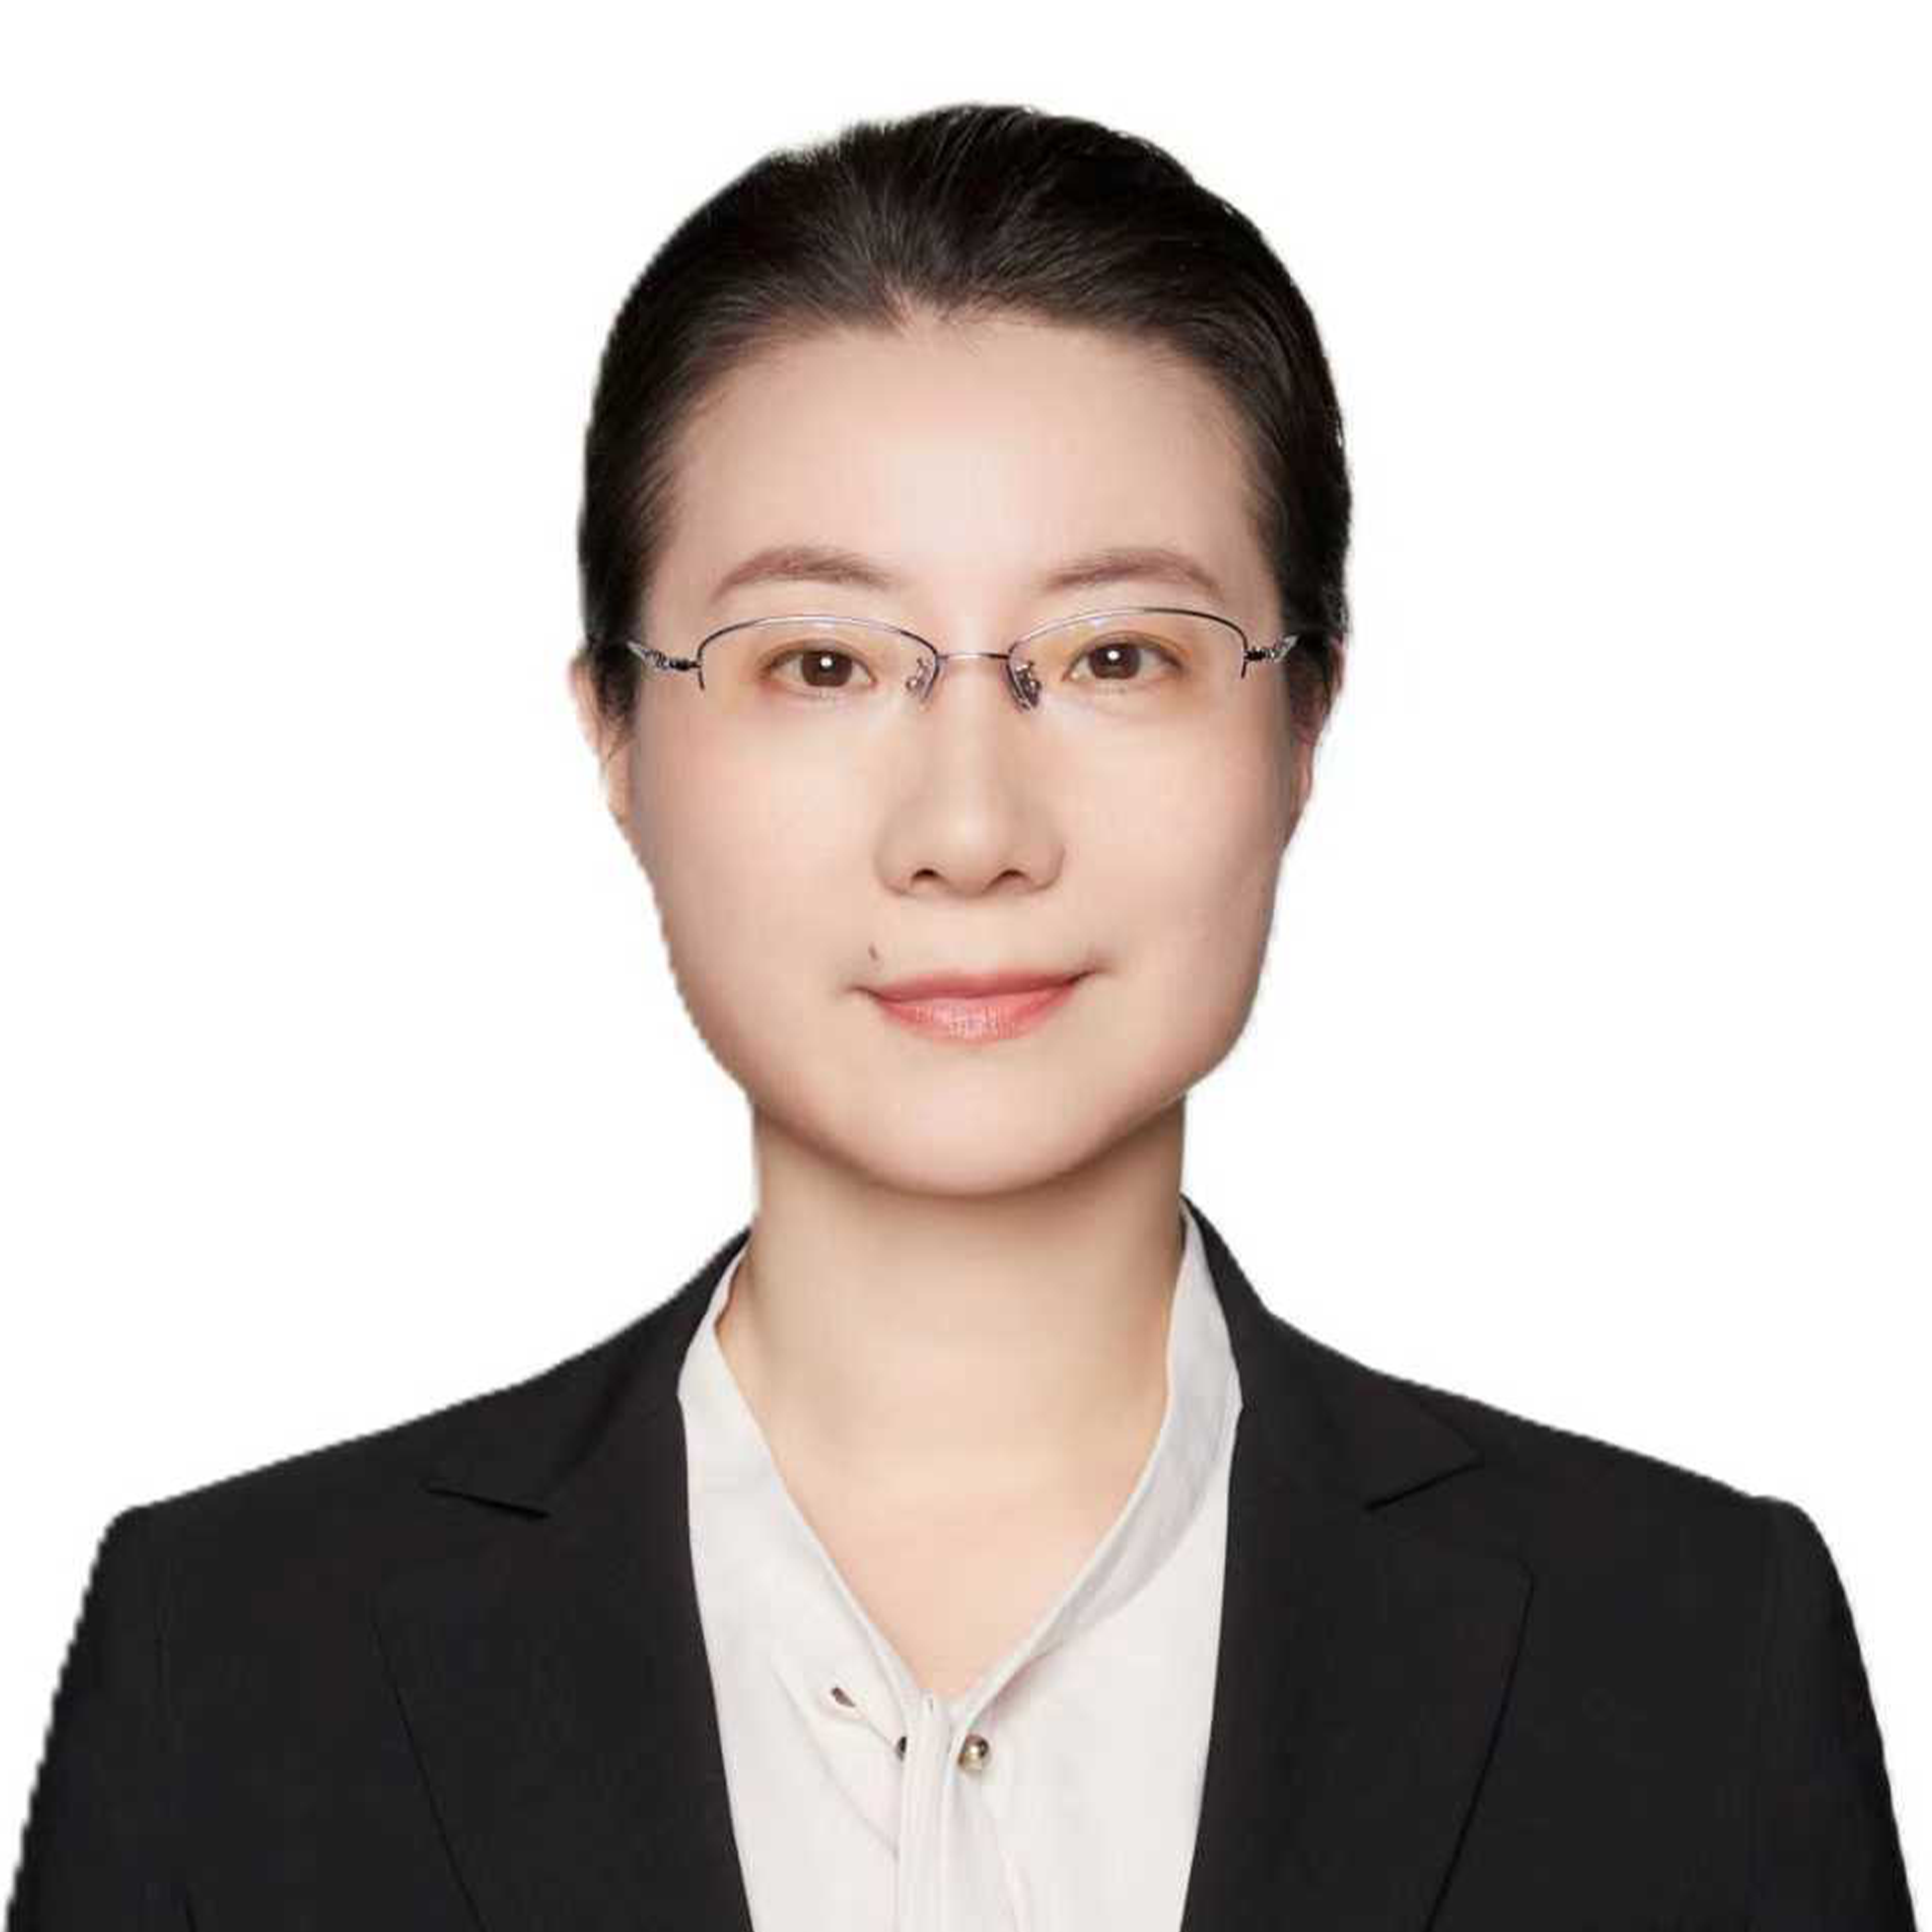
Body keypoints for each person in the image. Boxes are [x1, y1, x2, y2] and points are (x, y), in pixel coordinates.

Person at [6, 101, 1916, 1932]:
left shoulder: (1692, 1655)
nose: (972, 830)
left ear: (1303, 723)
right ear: (617, 734)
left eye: (1116, 655)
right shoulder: (228, 1657)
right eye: (820, 662)